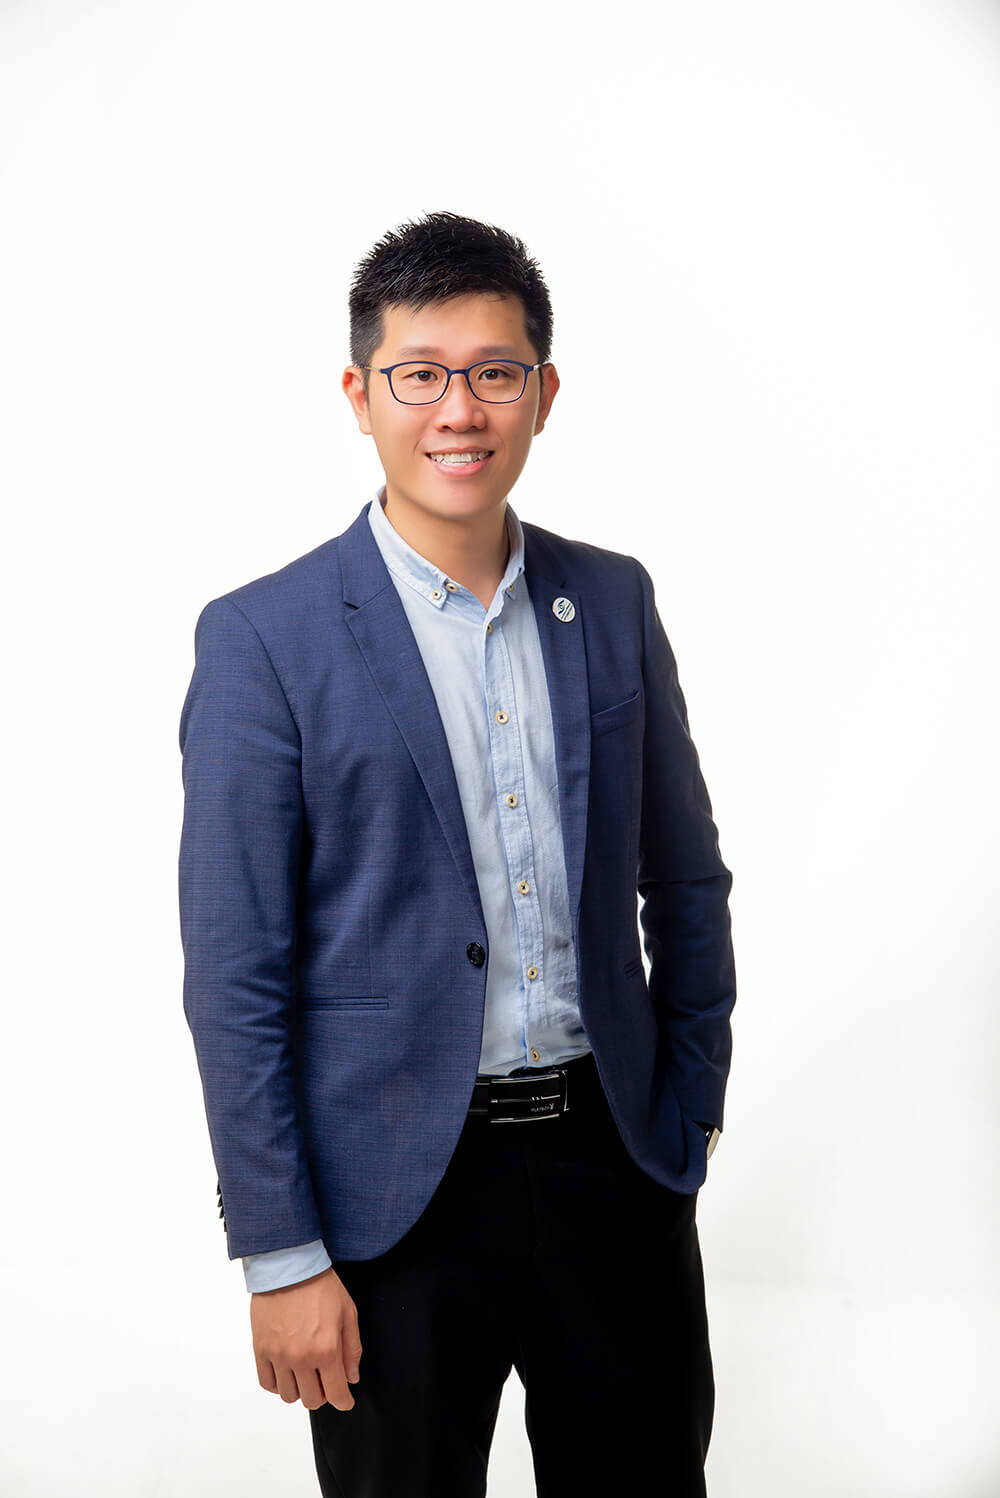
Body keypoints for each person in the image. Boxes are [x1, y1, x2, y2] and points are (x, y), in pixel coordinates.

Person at [178, 209, 736, 1498]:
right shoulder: (265, 639)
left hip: (615, 1167)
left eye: (493, 373)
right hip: (391, 1209)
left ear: (543, 394)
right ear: (359, 397)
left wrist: (687, 1112)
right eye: (419, 375)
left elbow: (687, 879)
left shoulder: (610, 599)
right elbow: (236, 974)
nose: (458, 410)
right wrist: (280, 1255)